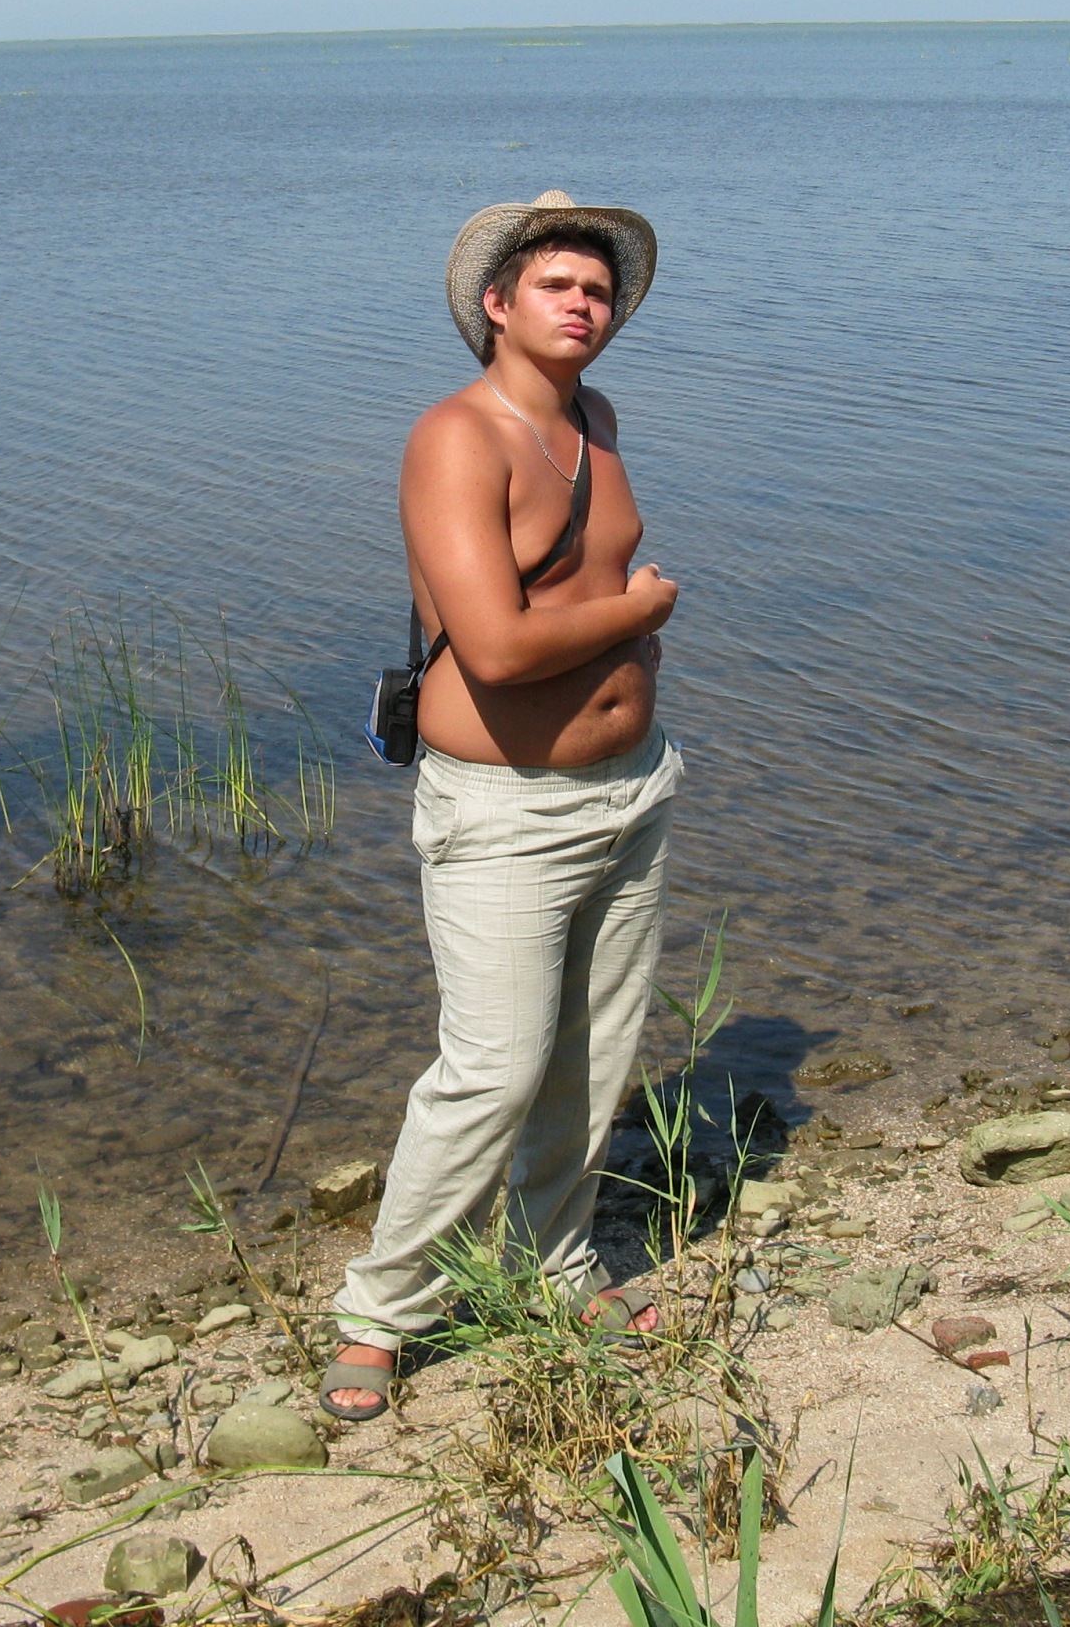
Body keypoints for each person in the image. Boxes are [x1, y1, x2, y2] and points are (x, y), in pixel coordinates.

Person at [320, 191, 683, 1422]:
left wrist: (627, 643)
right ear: (496, 304)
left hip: (630, 788)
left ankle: (554, 1261)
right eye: (556, 287)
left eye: (599, 291)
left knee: (591, 1056)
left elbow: (575, 586)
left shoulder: (597, 420)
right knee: (491, 1070)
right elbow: (497, 647)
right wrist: (642, 610)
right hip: (507, 810)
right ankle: (381, 1313)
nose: (584, 305)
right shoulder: (455, 440)